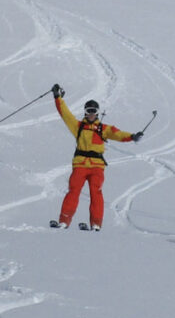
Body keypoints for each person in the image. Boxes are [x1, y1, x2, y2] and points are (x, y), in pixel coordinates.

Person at [49, 85, 142, 230]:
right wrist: (57, 97)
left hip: (96, 167)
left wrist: (132, 136)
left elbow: (118, 134)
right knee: (73, 191)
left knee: (96, 192)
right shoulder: (78, 126)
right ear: (85, 113)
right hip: (80, 165)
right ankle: (64, 221)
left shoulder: (103, 129)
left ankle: (96, 224)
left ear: (98, 113)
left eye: (93, 111)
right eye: (88, 111)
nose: (91, 114)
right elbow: (65, 114)